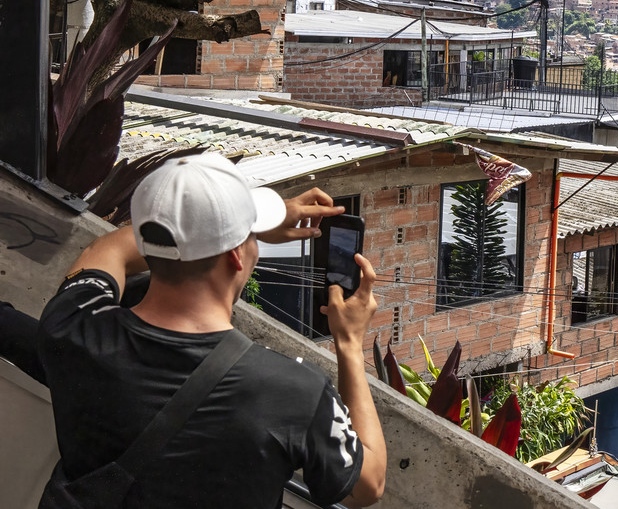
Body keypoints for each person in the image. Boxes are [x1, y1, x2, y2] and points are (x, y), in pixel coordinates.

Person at [36, 153, 386, 508]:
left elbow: (110, 248)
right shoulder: (294, 391)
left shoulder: (73, 323)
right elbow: (368, 485)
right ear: (237, 255)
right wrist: (349, 342)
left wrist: (221, 229)